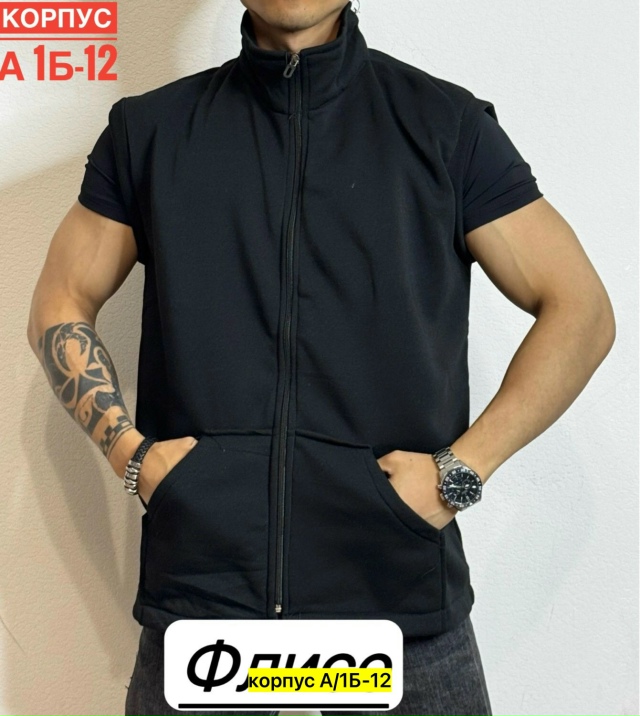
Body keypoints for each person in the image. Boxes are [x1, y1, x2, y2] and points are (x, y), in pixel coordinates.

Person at [26, 1, 616, 714]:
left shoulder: (445, 126)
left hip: (398, 601)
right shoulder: (150, 131)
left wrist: (457, 475)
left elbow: (580, 310)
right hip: (205, 605)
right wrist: (134, 457)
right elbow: (60, 302)